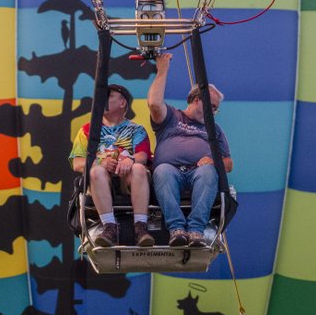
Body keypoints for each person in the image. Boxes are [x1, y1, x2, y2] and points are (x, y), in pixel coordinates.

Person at [147, 53, 233, 247]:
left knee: (209, 172)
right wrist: (163, 70)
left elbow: (228, 163)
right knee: (162, 170)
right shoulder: (171, 117)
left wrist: (213, 161)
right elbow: (153, 103)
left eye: (215, 109)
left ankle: (195, 230)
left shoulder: (214, 130)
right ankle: (176, 228)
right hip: (171, 172)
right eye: (210, 106)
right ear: (195, 99)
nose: (213, 112)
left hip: (198, 173)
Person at [70, 83, 154, 247]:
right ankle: (109, 227)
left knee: (138, 168)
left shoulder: (136, 130)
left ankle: (141, 228)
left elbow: (143, 158)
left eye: (108, 96)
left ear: (122, 103)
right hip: (100, 181)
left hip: (127, 180)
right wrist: (101, 163)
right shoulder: (87, 130)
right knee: (95, 171)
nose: (101, 99)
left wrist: (130, 161)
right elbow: (77, 162)